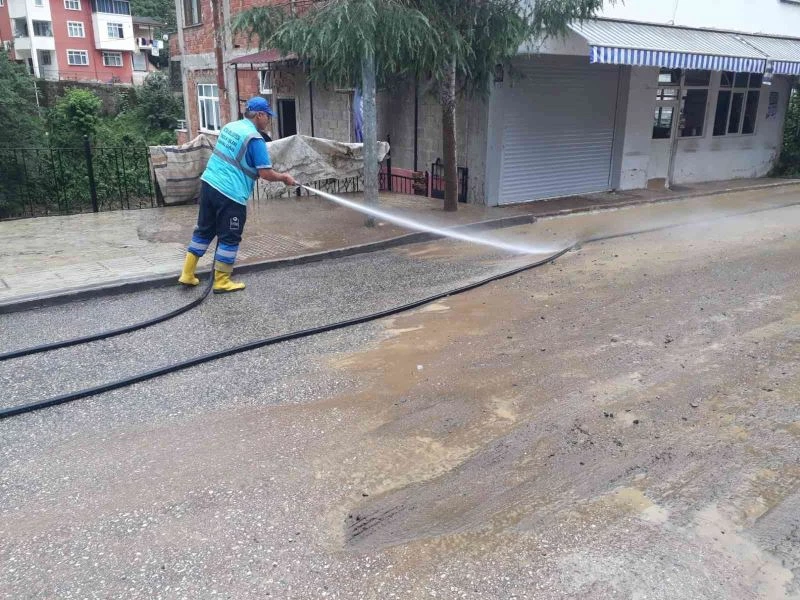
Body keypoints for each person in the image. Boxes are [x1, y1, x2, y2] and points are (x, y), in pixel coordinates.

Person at [178, 97, 298, 293]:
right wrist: (284, 178)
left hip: (209, 185)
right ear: (259, 115)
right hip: (230, 194)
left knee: (204, 230)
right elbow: (265, 173)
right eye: (267, 115)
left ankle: (187, 274)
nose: (268, 119)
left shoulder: (230, 127)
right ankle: (222, 281)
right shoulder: (255, 138)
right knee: (230, 237)